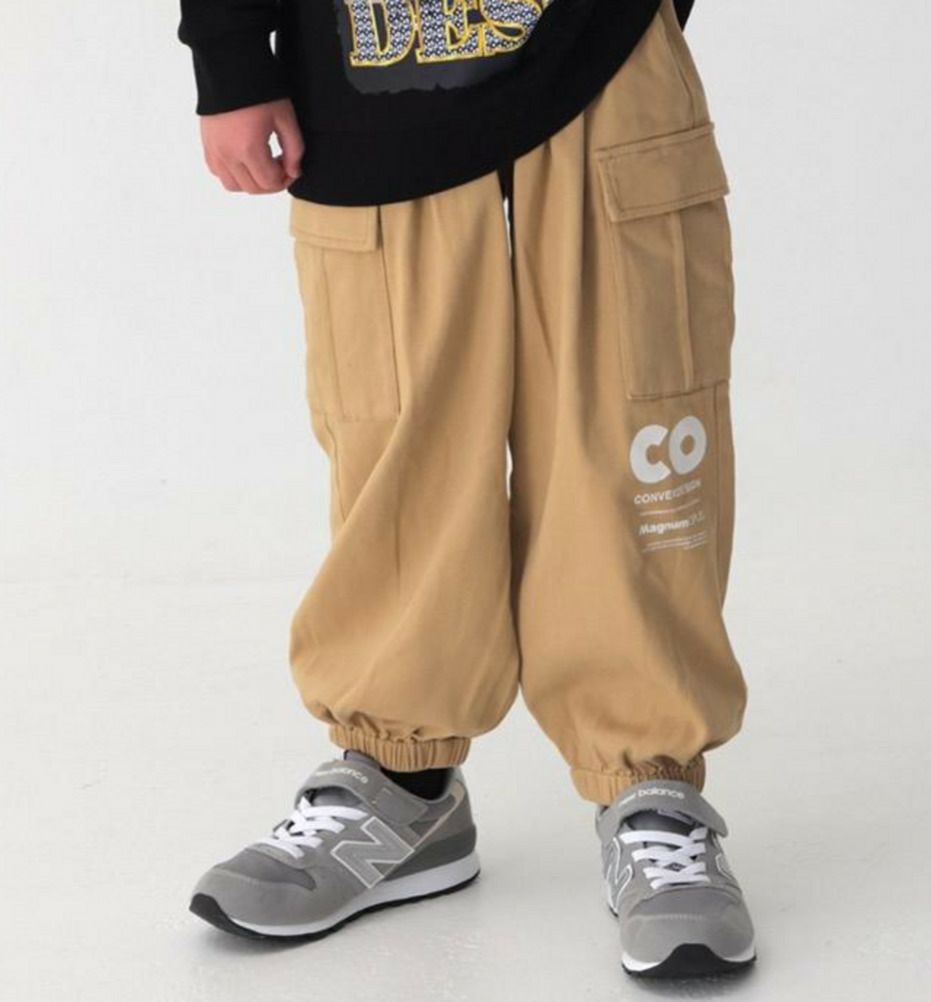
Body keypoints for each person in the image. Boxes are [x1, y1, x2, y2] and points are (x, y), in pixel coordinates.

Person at [178, 0, 755, 978]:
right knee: (396, 464)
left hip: (606, 68)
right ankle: (399, 787)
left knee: (630, 445)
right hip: (363, 83)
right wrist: (229, 56)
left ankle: (652, 789)